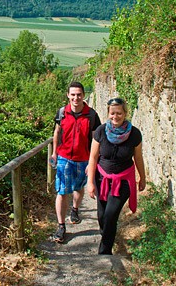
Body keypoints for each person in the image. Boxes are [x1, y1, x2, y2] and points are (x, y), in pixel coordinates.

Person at [86, 97, 146, 254]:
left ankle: (105, 252)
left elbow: (138, 158)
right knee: (101, 215)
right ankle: (106, 234)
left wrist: (142, 178)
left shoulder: (134, 134)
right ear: (108, 113)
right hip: (102, 179)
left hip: (124, 181)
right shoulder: (100, 131)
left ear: (125, 113)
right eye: (112, 113)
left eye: (119, 113)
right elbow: (93, 157)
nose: (115, 116)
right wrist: (90, 182)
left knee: (111, 214)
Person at [51, 81, 101, 243]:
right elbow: (56, 132)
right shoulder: (62, 113)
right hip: (64, 157)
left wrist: (93, 162)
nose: (76, 98)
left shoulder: (91, 115)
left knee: (78, 188)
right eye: (73, 94)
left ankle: (75, 209)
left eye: (79, 94)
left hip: (83, 159)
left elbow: (95, 139)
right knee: (62, 191)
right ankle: (61, 226)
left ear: (83, 96)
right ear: (68, 95)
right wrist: (54, 153)